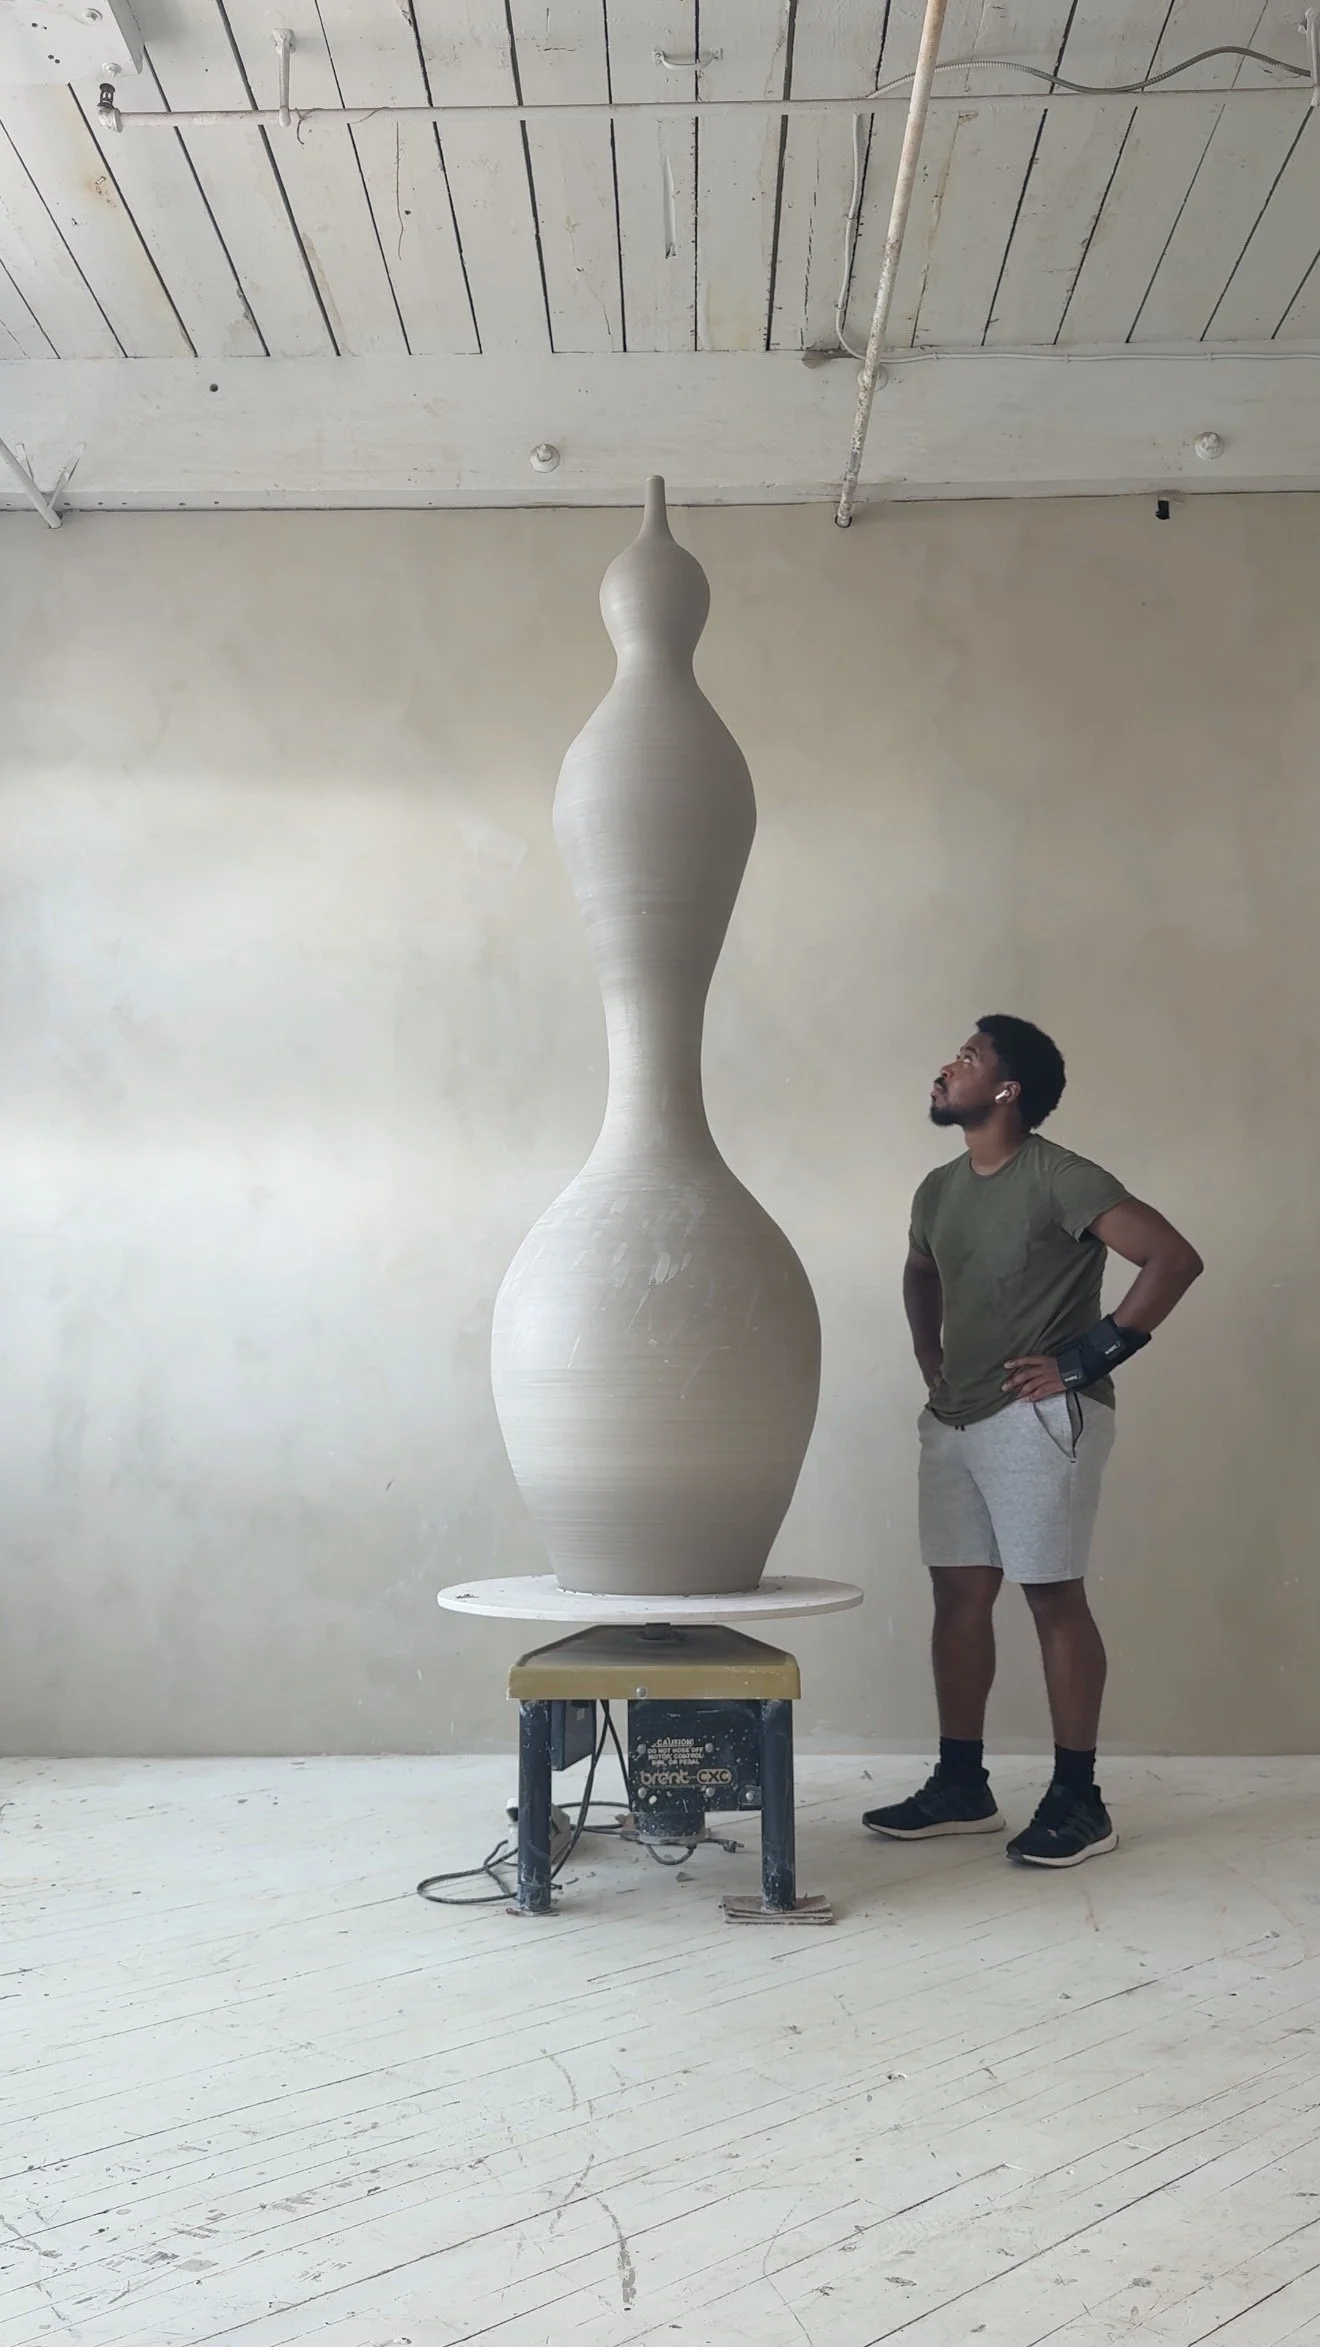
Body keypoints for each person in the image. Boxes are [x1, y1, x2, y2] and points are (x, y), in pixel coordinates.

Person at [863, 1015, 1202, 1868]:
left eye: (969, 1059)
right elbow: (921, 1268)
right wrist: (925, 1350)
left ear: (1006, 1091)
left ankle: (1080, 1800)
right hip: (954, 1418)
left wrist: (1084, 1359)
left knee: (1051, 1596)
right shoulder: (938, 1188)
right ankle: (961, 1785)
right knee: (958, 1595)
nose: (948, 1066)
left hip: (1039, 1418)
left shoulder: (1061, 1178)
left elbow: (1171, 1257)